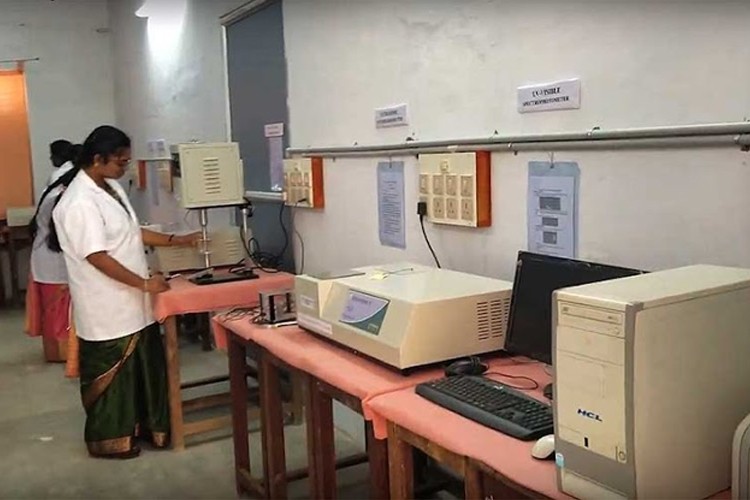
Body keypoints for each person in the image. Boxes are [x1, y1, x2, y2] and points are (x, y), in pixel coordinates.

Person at [51, 125, 199, 459]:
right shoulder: (79, 202)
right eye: (120, 161)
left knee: (143, 371)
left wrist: (179, 240)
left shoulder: (111, 188)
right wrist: (145, 283)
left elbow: (131, 233)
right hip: (106, 306)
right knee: (113, 379)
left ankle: (147, 429)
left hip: (133, 302)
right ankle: (110, 440)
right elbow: (97, 256)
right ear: (97, 158)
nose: (125, 168)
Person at [25, 142, 82, 362]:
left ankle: (58, 353)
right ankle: (63, 355)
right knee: (59, 313)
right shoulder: (62, 195)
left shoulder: (57, 187)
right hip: (54, 263)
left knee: (54, 312)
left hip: (47, 261)